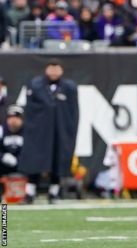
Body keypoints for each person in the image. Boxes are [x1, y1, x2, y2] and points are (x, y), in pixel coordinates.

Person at [19, 59, 79, 204]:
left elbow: (74, 111)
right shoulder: (36, 85)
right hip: (39, 131)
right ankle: (30, 192)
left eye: (56, 68)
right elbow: (31, 110)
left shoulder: (69, 87)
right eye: (51, 68)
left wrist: (69, 129)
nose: (53, 72)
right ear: (46, 70)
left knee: (58, 160)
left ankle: (54, 193)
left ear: (62, 71)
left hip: (60, 130)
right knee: (35, 160)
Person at [0, 105, 25, 200]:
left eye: (16, 117)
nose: (13, 120)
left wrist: (20, 159)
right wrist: (3, 156)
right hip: (5, 164)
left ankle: (30, 194)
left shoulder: (28, 131)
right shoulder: (1, 130)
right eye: (10, 117)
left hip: (23, 164)